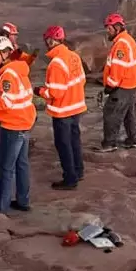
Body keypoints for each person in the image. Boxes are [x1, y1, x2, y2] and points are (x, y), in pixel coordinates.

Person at [0, 35, 36, 215]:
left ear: (5, 53)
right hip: (24, 123)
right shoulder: (20, 70)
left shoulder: (6, 75)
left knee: (6, 168)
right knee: (22, 164)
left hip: (12, 125)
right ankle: (23, 201)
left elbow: (6, 103)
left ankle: (1, 208)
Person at [34, 25, 86, 190]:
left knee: (63, 145)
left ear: (50, 40)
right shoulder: (73, 56)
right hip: (76, 108)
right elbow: (82, 79)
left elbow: (55, 92)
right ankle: (78, 171)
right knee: (74, 141)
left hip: (62, 111)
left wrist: (40, 91)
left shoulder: (56, 63)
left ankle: (70, 178)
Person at [99, 13, 136, 152]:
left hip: (122, 86)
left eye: (109, 28)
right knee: (129, 114)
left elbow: (118, 68)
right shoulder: (127, 40)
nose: (107, 31)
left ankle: (109, 143)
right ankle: (131, 140)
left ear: (117, 27)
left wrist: (110, 86)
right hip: (132, 84)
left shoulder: (121, 45)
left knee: (112, 113)